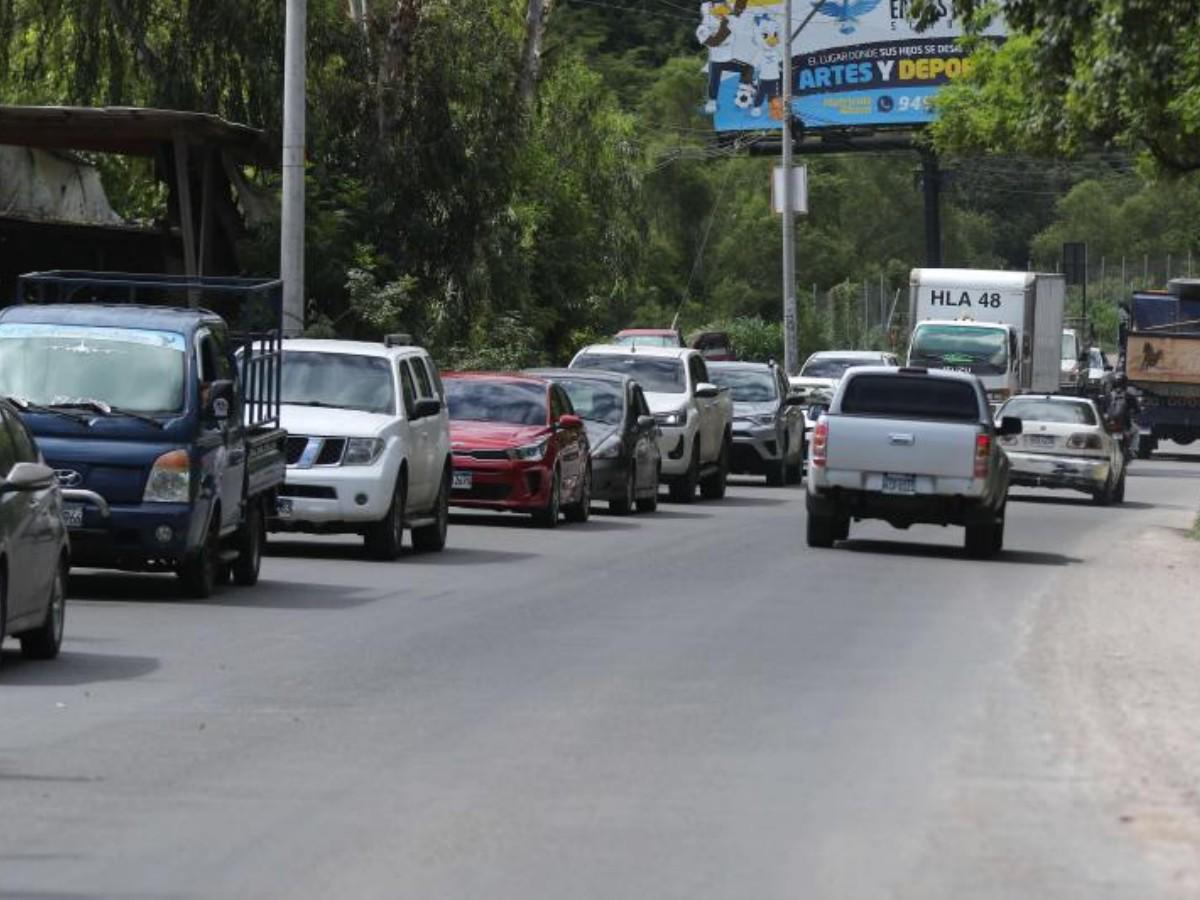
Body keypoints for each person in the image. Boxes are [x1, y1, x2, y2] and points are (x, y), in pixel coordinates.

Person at [1106, 373, 1139, 461]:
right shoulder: (1129, 396)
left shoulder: (1108, 396)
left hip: (1110, 423)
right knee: (1136, 431)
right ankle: (1133, 450)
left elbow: (1102, 408)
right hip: (1125, 424)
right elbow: (1137, 410)